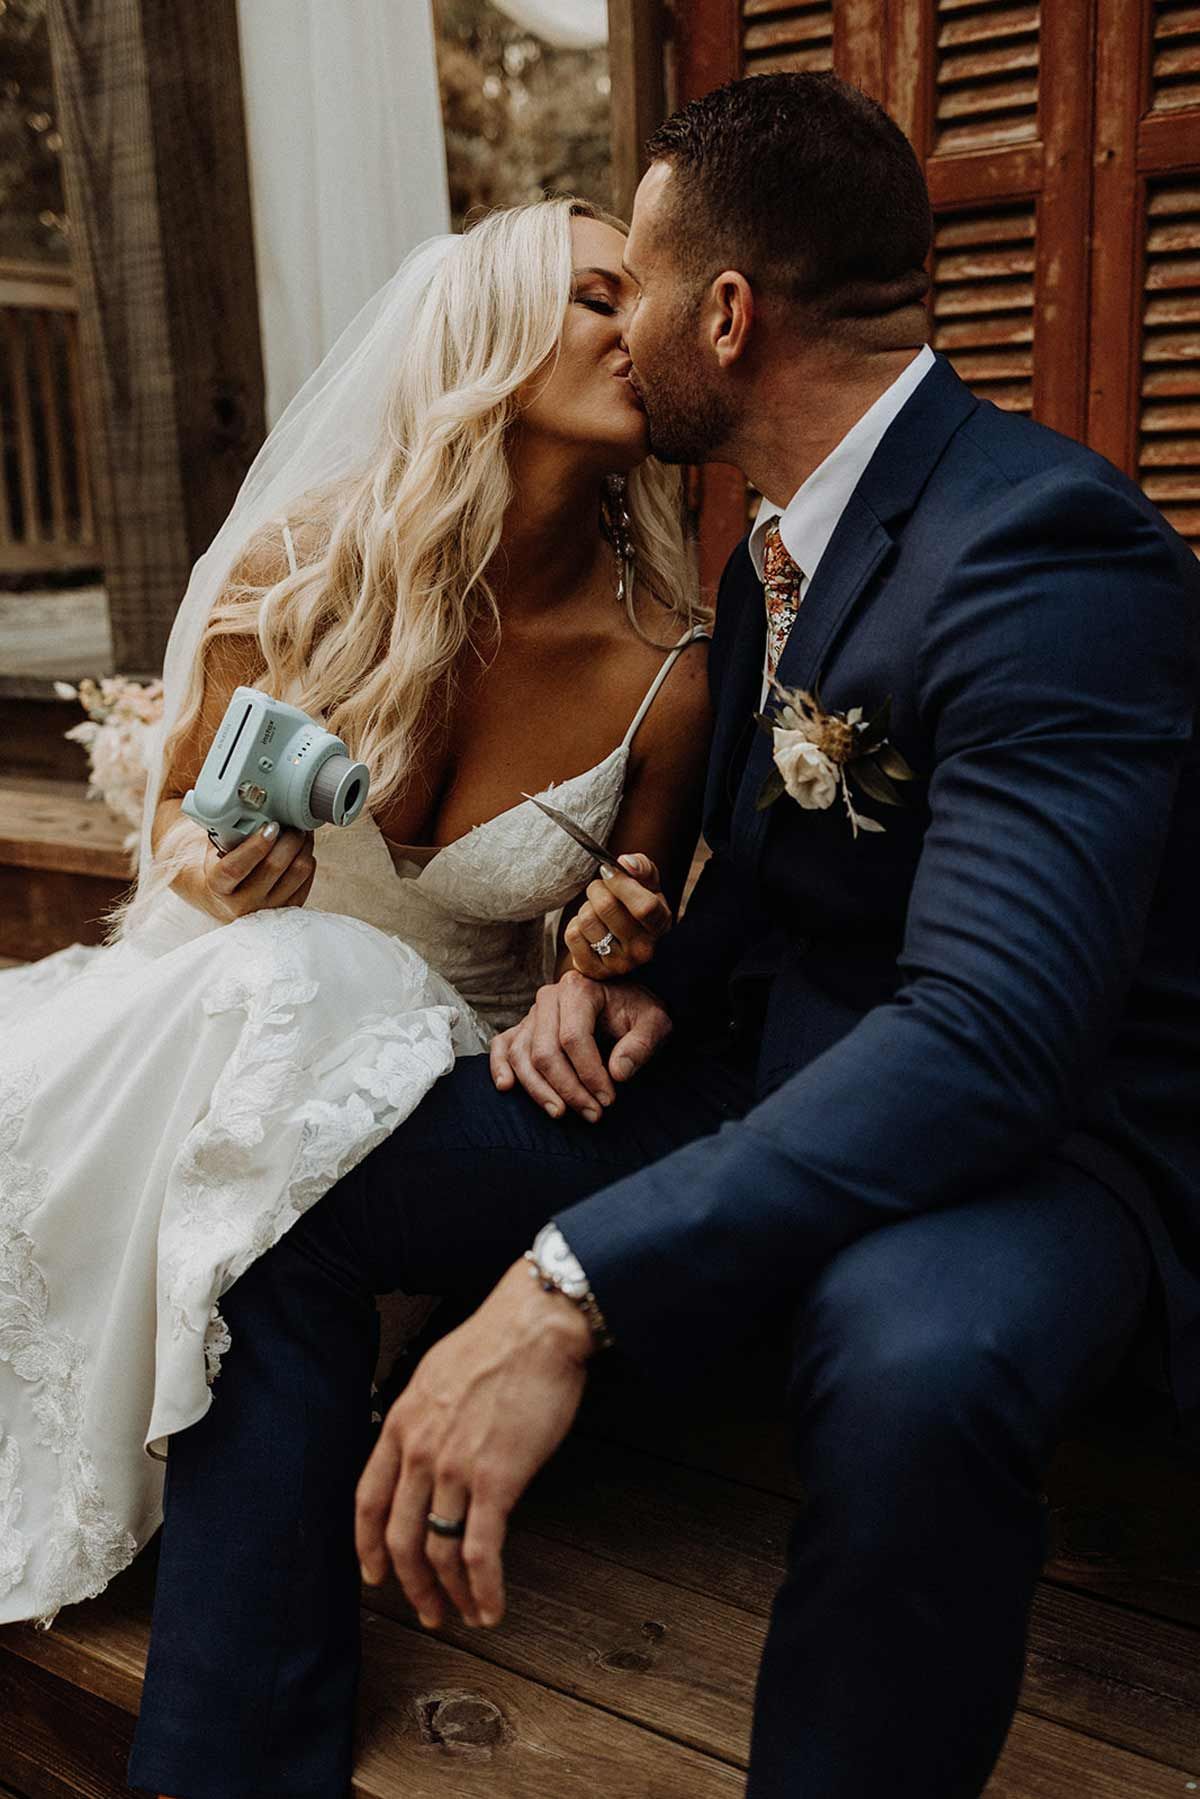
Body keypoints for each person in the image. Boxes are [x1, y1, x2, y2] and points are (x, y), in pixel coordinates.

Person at [129, 72, 1199, 1799]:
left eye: (634, 286)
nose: (618, 327)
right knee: (294, 1192)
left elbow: (997, 1035)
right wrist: (632, 981)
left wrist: (571, 1281)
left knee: (914, 1372)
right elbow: (785, 885)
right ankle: (230, 1763)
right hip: (759, 1075)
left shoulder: (1045, 549)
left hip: (1033, 1147)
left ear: (726, 315)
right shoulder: (777, 553)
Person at [0, 196, 712, 1633]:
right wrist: (211, 873)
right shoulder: (302, 574)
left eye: (644, 300)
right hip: (231, 1022)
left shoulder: (667, 672)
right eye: (597, 297)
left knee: (316, 989)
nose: (638, 329)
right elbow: (183, 820)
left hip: (436, 1091)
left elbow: (621, 945)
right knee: (281, 969)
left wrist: (606, 952)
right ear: (491, 334)